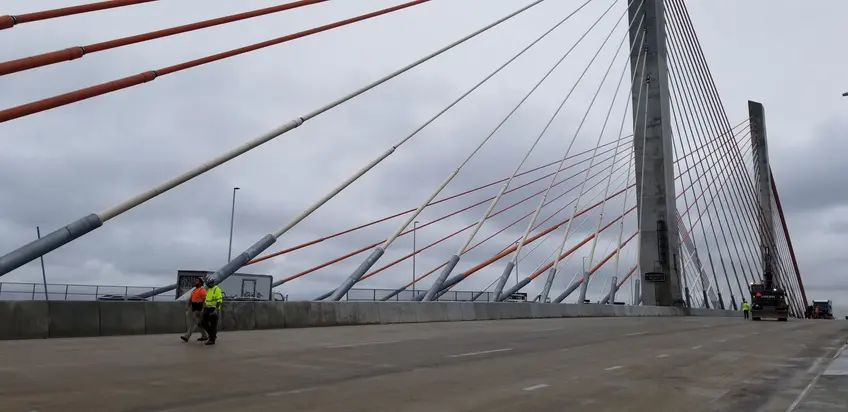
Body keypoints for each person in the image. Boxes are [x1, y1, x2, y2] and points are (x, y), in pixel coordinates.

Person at [181, 277, 208, 342]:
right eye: (195, 281)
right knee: (198, 323)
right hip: (194, 308)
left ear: (201, 283)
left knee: (194, 322)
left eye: (197, 281)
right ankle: (205, 336)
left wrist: (203, 309)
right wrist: (187, 306)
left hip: (199, 308)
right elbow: (191, 299)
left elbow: (204, 300)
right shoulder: (194, 290)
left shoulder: (202, 290)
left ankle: (187, 336)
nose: (196, 282)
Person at [200, 277, 223, 345]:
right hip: (207, 308)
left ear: (212, 282)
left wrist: (216, 310)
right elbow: (207, 300)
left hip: (213, 308)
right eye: (207, 284)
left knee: (213, 324)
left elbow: (219, 301)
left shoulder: (217, 289)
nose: (207, 285)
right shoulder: (208, 289)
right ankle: (212, 335)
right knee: (202, 323)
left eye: (208, 284)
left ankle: (212, 340)